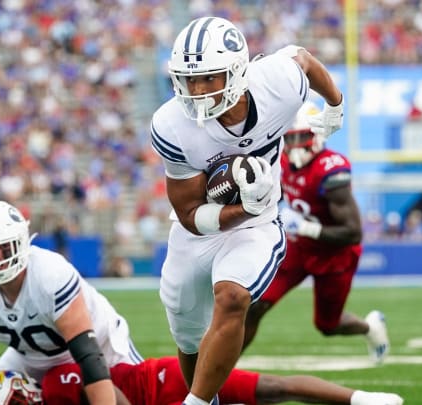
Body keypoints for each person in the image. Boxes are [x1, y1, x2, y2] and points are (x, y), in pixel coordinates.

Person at [150, 16, 345, 405]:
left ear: (238, 71)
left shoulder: (276, 84)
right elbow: (189, 212)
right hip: (199, 228)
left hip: (258, 222)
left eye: (209, 78)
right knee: (188, 335)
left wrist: (335, 104)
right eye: (190, 80)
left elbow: (305, 61)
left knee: (233, 297)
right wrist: (237, 208)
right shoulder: (172, 124)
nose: (198, 91)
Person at [0, 200, 142, 405]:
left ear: (21, 242)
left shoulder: (49, 275)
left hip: (101, 345)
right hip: (32, 356)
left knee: (136, 398)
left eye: (5, 247)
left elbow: (89, 356)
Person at [242, 102, 390, 365]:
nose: (294, 144)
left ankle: (370, 328)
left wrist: (307, 227)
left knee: (327, 325)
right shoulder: (281, 160)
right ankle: (220, 375)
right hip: (298, 248)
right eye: (290, 138)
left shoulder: (330, 170)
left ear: (317, 136)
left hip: (335, 254)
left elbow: (353, 232)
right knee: (253, 306)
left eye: (301, 137)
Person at [38, 356, 404, 405]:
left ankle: (360, 398)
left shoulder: (53, 383)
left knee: (270, 387)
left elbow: (112, 392)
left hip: (163, 382)